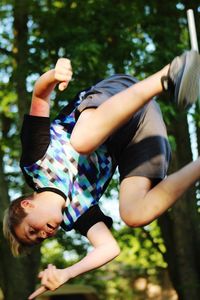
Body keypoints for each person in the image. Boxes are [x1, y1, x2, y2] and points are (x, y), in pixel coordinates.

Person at [3, 50, 200, 300]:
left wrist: (54, 75)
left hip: (115, 97)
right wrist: (67, 274)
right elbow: (109, 248)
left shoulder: (35, 162)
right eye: (39, 239)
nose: (44, 235)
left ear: (27, 204)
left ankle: (167, 75)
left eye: (32, 230)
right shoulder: (78, 214)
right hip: (139, 134)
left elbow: (40, 97)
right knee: (133, 214)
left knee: (82, 141)